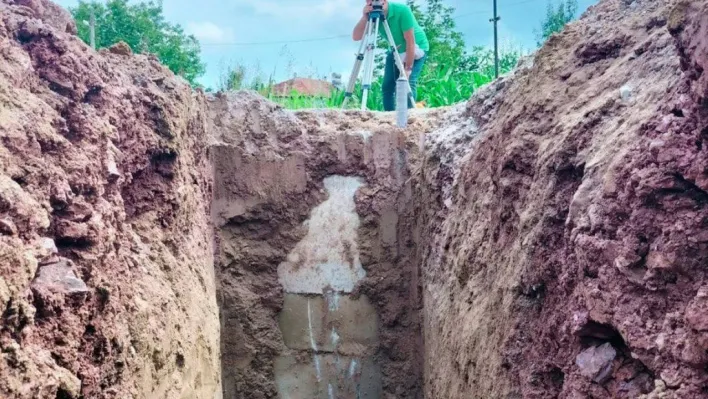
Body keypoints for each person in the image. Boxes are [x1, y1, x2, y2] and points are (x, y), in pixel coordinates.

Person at [352, 0, 429, 111]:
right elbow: (356, 36)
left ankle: (409, 116)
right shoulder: (372, 15)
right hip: (396, 49)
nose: (372, 2)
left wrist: (408, 68)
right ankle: (389, 116)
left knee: (408, 81)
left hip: (416, 47)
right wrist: (365, 17)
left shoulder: (402, 10)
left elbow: (410, 41)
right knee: (387, 86)